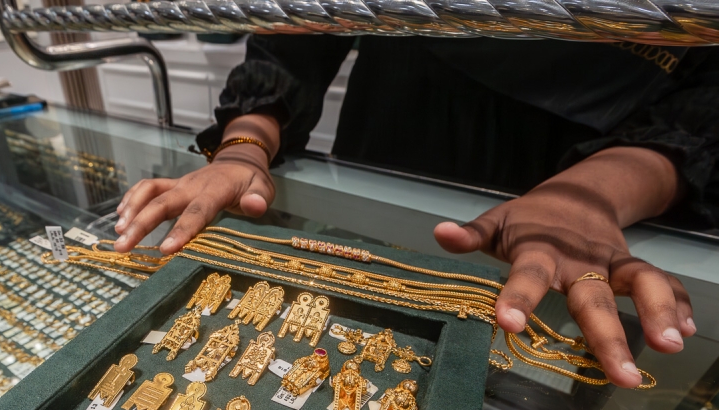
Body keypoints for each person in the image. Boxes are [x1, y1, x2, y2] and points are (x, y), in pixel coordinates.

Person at [113, 36, 717, 389]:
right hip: (395, 127)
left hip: (598, 175)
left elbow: (703, 101)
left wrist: (591, 194)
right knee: (346, 322)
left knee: (523, 373)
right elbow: (301, 31)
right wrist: (248, 135)